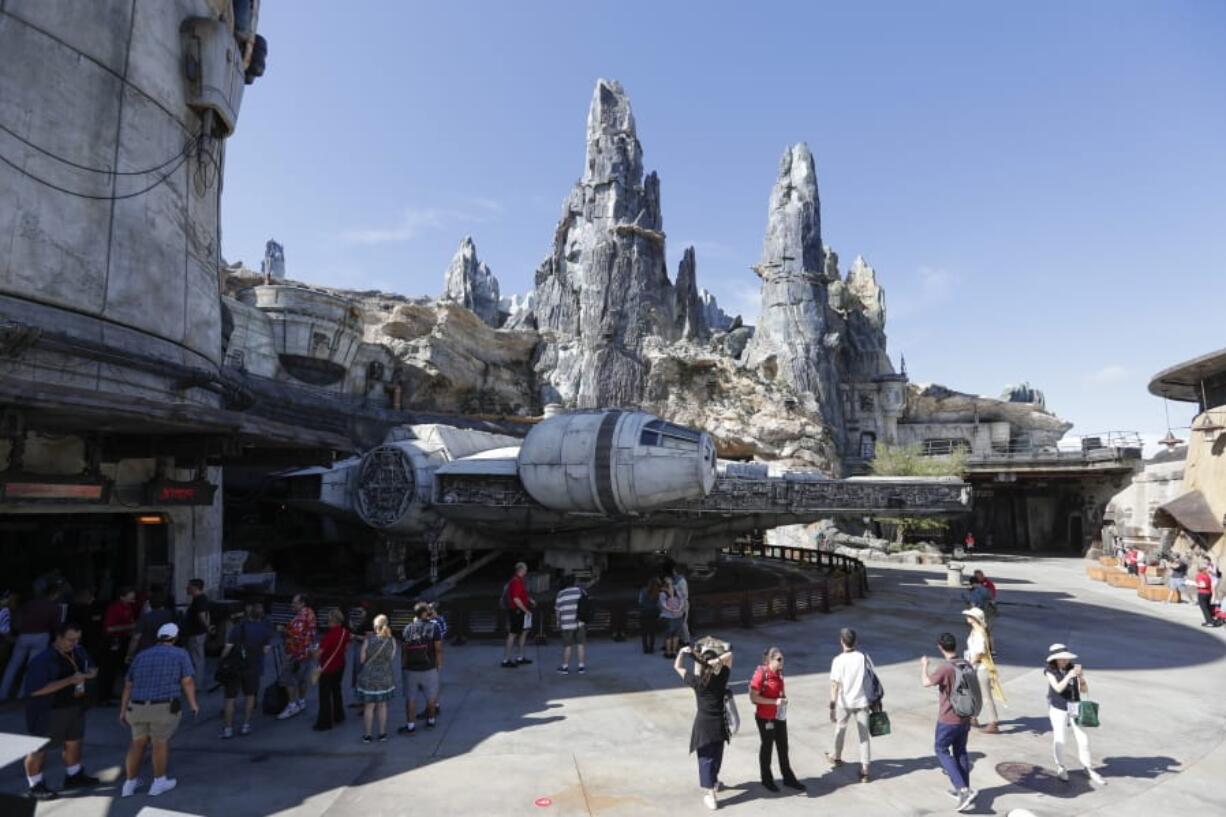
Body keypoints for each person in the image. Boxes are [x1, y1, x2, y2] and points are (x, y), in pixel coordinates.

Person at [20, 622, 100, 801]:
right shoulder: (42, 661)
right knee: (39, 749)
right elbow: (35, 690)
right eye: (70, 640)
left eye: (77, 639)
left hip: (75, 706)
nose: (74, 643)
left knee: (74, 742)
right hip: (48, 711)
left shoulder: (79, 651)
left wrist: (87, 676)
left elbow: (93, 669)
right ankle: (35, 785)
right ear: (58, 637)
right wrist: (70, 680)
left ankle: (74, 775)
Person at [119, 622, 199, 797]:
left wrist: (123, 709)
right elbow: (187, 681)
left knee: (137, 743)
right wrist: (193, 704)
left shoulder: (141, 655)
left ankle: (129, 784)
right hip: (163, 706)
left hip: (137, 706)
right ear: (175, 637)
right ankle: (159, 782)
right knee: (159, 743)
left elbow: (128, 684)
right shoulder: (180, 654)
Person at [673, 638, 733, 811]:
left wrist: (682, 653)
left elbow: (677, 667)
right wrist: (718, 660)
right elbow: (730, 655)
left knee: (705, 759)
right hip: (719, 724)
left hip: (704, 725)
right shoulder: (722, 678)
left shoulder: (697, 682)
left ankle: (711, 794)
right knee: (716, 755)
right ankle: (713, 783)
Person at [921, 632, 976, 813]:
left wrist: (924, 666)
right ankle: (964, 789)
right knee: (960, 751)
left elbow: (926, 682)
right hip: (965, 717)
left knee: (941, 750)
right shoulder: (965, 664)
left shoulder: (945, 668)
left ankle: (962, 789)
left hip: (948, 719)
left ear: (940, 647)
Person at [1044, 645, 1106, 785]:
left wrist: (1081, 679)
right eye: (1062, 658)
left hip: (1074, 706)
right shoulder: (1050, 670)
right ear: (1056, 659)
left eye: (1067, 658)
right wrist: (1069, 676)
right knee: (1060, 738)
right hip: (1058, 708)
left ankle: (1088, 767)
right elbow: (1058, 688)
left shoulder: (1072, 668)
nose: (1065, 661)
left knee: (1083, 739)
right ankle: (1061, 767)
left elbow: (1084, 690)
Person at [750, 646, 803, 792]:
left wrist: (783, 699)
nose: (782, 662)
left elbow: (781, 692)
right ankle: (766, 779)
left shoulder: (779, 674)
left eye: (783, 659)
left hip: (779, 716)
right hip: (765, 718)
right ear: (770, 660)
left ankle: (788, 778)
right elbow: (753, 697)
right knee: (767, 748)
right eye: (779, 659)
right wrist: (774, 702)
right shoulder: (761, 674)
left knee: (783, 747)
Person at [1, 582, 63, 702]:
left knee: (13, 665)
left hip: (24, 635)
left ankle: (2, 693)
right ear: (55, 594)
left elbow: (18, 617)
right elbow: (56, 626)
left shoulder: (30, 604)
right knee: (31, 667)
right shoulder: (53, 607)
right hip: (41, 635)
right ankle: (23, 694)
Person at [219, 602, 273, 738]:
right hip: (253, 666)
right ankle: (245, 725)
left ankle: (228, 728)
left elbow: (228, 648)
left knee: (230, 698)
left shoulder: (239, 627)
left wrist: (222, 659)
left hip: (235, 666)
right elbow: (265, 650)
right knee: (250, 696)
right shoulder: (265, 630)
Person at [827, 627, 872, 782]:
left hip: (844, 702)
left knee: (840, 728)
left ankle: (837, 756)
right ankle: (865, 769)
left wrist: (832, 707)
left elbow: (835, 685)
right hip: (862, 701)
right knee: (864, 736)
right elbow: (870, 678)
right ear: (856, 642)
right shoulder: (863, 657)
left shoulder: (838, 661)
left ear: (841, 641)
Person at [398, 602, 442, 734]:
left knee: (411, 698)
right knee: (431, 696)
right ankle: (431, 721)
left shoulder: (407, 628)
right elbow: (438, 649)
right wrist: (438, 664)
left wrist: (403, 666)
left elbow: (404, 650)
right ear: (424, 613)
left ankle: (410, 726)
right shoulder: (434, 627)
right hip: (429, 667)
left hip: (411, 669)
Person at [356, 613, 397, 743]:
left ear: (375, 627)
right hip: (385, 677)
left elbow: (362, 660)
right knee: (382, 706)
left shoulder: (368, 640)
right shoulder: (392, 640)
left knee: (369, 707)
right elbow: (391, 658)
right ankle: (382, 734)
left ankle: (367, 735)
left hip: (369, 678)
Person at [963, 608, 1004, 733]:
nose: (967, 617)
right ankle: (973, 717)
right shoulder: (976, 630)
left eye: (969, 615)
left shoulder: (979, 632)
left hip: (981, 667)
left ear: (975, 618)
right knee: (975, 693)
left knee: (986, 696)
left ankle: (993, 722)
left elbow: (979, 652)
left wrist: (970, 664)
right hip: (977, 666)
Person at [277, 593, 317, 718]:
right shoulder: (310, 613)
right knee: (302, 678)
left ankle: (292, 705)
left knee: (288, 679)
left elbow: (295, 634)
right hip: (307, 652)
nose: (292, 604)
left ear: (302, 603)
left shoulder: (300, 618)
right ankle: (301, 701)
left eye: (295, 602)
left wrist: (283, 630)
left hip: (295, 653)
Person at [313, 608, 351, 732]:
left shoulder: (329, 635)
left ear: (332, 620)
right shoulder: (345, 632)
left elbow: (318, 654)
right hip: (340, 664)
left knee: (324, 695)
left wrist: (312, 651)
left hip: (327, 667)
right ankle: (339, 715)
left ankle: (324, 722)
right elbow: (347, 647)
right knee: (336, 690)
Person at [99, 587, 137, 705]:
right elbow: (109, 628)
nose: (133, 599)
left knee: (119, 668)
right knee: (109, 668)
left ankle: (112, 692)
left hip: (123, 640)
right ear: (122, 597)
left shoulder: (129, 607)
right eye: (130, 597)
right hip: (113, 641)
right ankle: (103, 696)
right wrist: (129, 627)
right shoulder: (114, 609)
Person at [501, 562, 535, 668]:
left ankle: (520, 657)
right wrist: (526, 610)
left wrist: (529, 600)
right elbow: (516, 599)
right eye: (525, 569)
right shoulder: (516, 581)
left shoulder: (519, 580)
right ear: (520, 570)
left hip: (520, 611)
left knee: (524, 632)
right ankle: (506, 660)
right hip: (517, 611)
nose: (526, 571)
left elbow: (521, 594)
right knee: (513, 634)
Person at [554, 576, 587, 674]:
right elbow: (586, 603)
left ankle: (565, 667)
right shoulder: (580, 591)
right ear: (574, 582)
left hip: (566, 623)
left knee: (567, 646)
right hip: (579, 622)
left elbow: (557, 610)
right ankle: (581, 667)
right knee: (580, 645)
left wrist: (558, 621)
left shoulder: (561, 594)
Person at [128, 590, 173, 660]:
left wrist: (130, 654)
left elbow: (136, 637)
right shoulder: (171, 616)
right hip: (167, 651)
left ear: (150, 604)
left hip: (146, 651)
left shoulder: (145, 617)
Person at [182, 579, 210, 686]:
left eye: (189, 587)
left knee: (196, 658)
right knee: (195, 657)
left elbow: (202, 615)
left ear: (195, 588)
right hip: (195, 632)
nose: (187, 589)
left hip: (196, 633)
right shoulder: (199, 599)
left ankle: (196, 683)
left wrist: (207, 627)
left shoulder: (200, 599)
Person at [664, 559, 692, 644]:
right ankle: (680, 638)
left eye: (674, 570)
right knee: (678, 623)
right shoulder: (676, 580)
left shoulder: (681, 581)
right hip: (678, 603)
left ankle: (687, 640)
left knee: (683, 623)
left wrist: (672, 586)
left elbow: (682, 593)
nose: (673, 572)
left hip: (682, 604)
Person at [659, 577, 686, 658]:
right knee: (676, 635)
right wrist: (678, 609)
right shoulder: (677, 592)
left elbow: (663, 604)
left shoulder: (662, 594)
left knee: (668, 636)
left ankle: (668, 652)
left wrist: (672, 610)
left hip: (668, 617)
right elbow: (682, 602)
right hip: (678, 616)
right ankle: (674, 652)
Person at [638, 576, 661, 654]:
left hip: (644, 613)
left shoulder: (643, 590)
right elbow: (659, 604)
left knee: (644, 633)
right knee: (652, 633)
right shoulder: (657, 592)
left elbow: (640, 602)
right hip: (653, 613)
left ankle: (645, 648)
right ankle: (651, 648)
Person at [1194, 562, 1220, 627]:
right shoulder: (1207, 575)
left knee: (1204, 608)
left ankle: (1209, 622)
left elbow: (1203, 585)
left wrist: (1194, 584)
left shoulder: (1199, 575)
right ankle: (1210, 620)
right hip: (1209, 593)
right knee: (1208, 607)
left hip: (1202, 593)